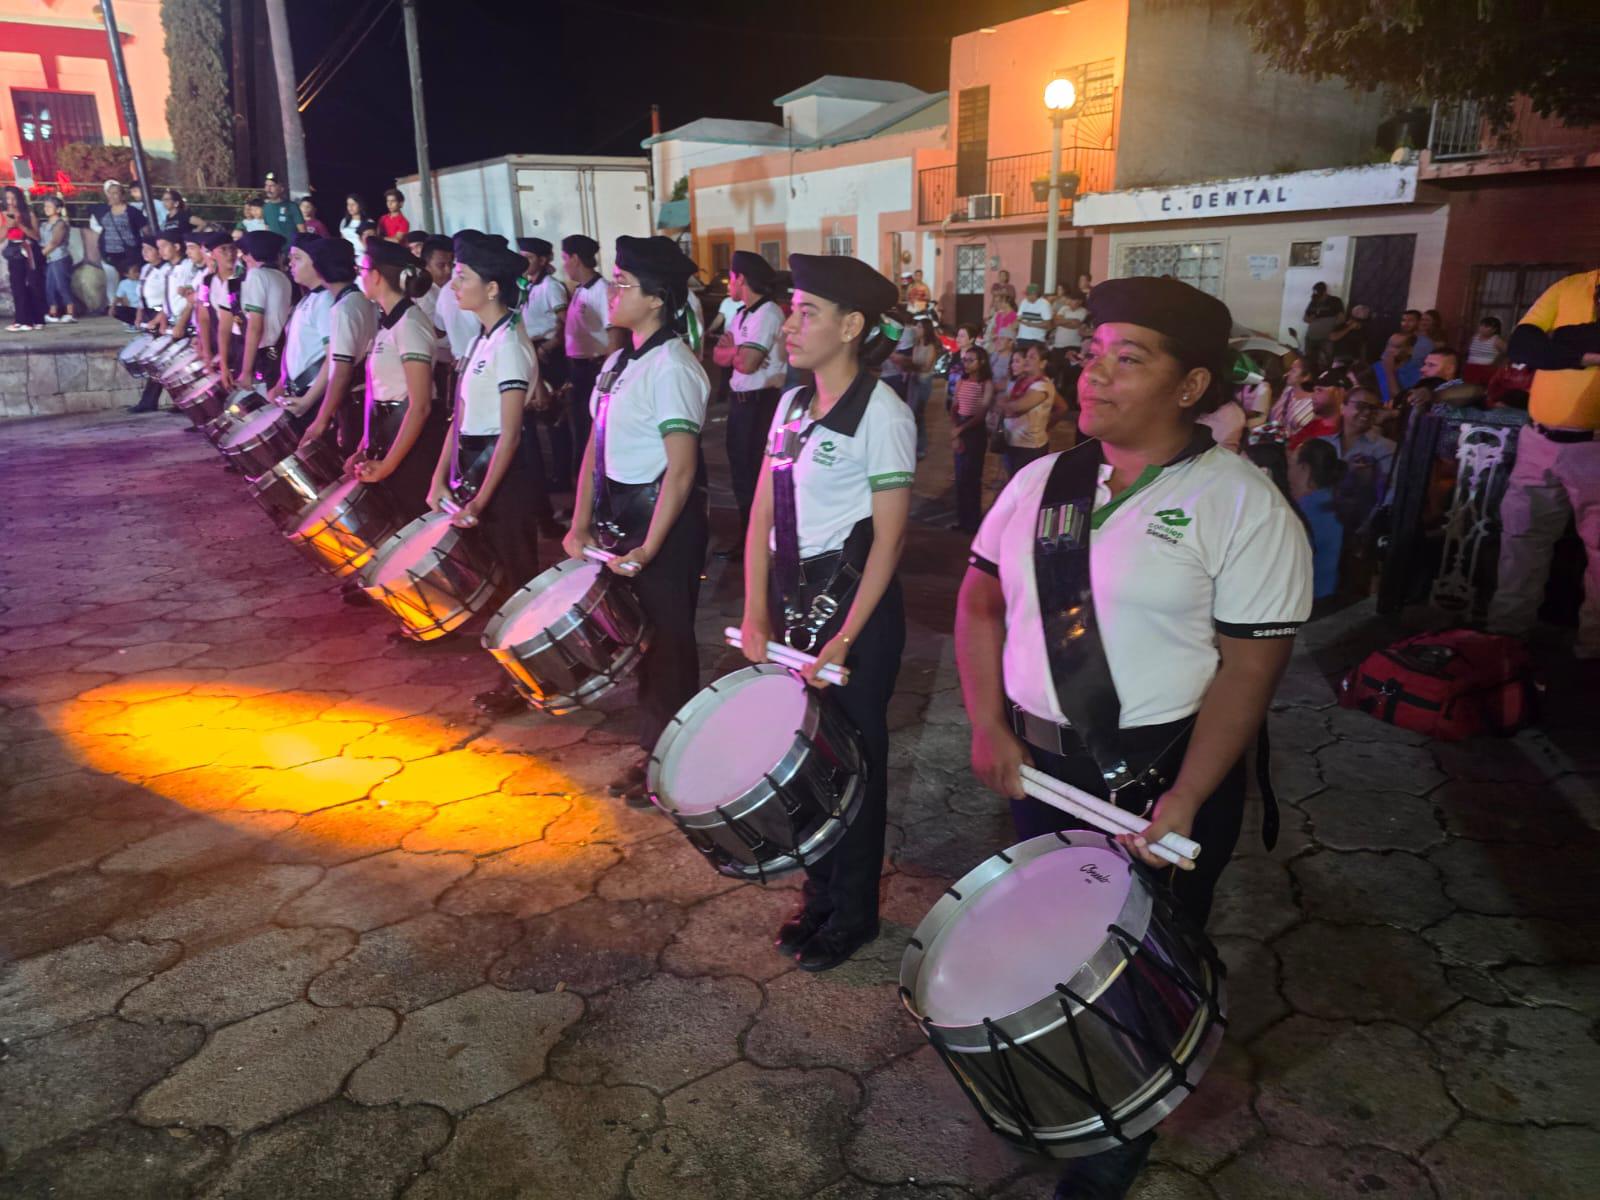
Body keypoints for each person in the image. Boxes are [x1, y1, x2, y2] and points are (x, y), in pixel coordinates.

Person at [955, 275, 1312, 1200]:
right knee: (1051, 952)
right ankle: (1066, 1096)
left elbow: (1249, 670)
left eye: (1130, 357)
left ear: (1191, 387)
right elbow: (981, 599)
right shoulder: (1045, 479)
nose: (1096, 375)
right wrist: (990, 722)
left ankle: (1118, 1133)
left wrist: (1187, 798)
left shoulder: (1242, 504)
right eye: (1094, 353)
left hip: (1162, 777)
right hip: (1042, 767)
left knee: (1142, 968)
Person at [739, 251, 914, 971]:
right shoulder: (789, 405)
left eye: (808, 312)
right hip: (790, 603)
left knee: (855, 764)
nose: (790, 323)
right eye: (791, 309)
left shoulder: (884, 412)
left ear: (852, 326)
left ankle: (854, 913)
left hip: (854, 614)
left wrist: (845, 637)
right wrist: (754, 611)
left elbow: (891, 539)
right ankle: (818, 895)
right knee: (805, 760)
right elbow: (758, 517)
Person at [561, 235, 710, 799]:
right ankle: (656, 752)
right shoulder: (622, 359)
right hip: (622, 520)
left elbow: (681, 470)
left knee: (669, 645)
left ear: (656, 300)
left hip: (662, 528)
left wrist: (649, 547)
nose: (612, 292)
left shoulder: (672, 367)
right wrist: (579, 521)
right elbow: (595, 448)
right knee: (643, 641)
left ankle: (673, 763)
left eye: (623, 284)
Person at [437, 234, 546, 705]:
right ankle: (511, 671)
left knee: (515, 579)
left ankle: (527, 678)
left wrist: (481, 499)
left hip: (505, 477)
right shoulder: (483, 340)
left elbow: (510, 433)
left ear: (494, 288)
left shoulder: (510, 345)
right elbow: (460, 417)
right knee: (495, 577)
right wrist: (439, 475)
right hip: (475, 467)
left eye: (464, 277)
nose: (454, 283)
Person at [1487, 266, 1600, 658]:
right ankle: (1506, 637)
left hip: (1596, 449)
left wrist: (1563, 344)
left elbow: (1553, 343)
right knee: (1521, 539)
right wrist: (1585, 352)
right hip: (1538, 440)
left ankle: (1592, 651)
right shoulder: (1570, 285)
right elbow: (1524, 347)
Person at [353, 238, 447, 520]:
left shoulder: (410, 324)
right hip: (390, 433)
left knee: (413, 521)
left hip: (413, 441)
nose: (360, 275)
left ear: (377, 275)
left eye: (362, 269)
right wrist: (364, 447)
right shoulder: (390, 322)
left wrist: (388, 466)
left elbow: (420, 406)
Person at [722, 249, 787, 561]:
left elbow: (746, 363)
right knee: (740, 473)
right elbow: (722, 355)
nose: (728, 284)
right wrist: (736, 353)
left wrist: (735, 353)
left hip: (760, 405)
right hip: (741, 403)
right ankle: (747, 536)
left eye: (730, 278)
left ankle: (758, 540)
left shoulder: (768, 313)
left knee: (755, 475)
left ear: (742, 279)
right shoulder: (741, 314)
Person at [297, 238, 378, 456]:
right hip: (363, 398)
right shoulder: (359, 299)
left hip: (355, 402)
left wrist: (321, 420)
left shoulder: (344, 308)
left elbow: (342, 372)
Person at [560, 233, 616, 490]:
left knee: (592, 435)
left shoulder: (601, 291)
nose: (564, 265)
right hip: (578, 369)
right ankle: (582, 493)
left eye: (565, 259)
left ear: (575, 259)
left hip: (594, 370)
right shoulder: (581, 290)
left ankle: (594, 496)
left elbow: (614, 336)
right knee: (579, 432)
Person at [270, 240, 336, 431]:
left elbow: (332, 357)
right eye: (290, 258)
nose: (290, 263)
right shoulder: (308, 299)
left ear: (317, 262)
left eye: (297, 258)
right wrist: (281, 383)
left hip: (315, 394)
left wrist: (308, 400)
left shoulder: (325, 300)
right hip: (300, 392)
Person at [231, 230, 291, 389]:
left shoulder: (257, 275)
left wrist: (246, 371)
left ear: (252, 254)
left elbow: (255, 326)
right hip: (280, 349)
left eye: (244, 253)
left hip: (267, 354)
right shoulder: (281, 276)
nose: (242, 258)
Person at [1291, 438, 1347, 605]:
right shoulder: (1331, 501)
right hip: (1327, 596)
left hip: (1307, 603)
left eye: (1291, 463)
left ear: (1304, 468)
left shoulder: (1304, 513)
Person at [949, 344, 995, 533]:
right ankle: (963, 520)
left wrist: (960, 429)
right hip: (961, 425)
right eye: (965, 360)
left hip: (974, 430)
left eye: (971, 360)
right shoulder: (962, 380)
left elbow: (981, 413)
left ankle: (972, 522)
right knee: (960, 477)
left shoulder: (986, 384)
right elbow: (954, 406)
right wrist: (955, 428)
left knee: (972, 477)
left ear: (981, 362)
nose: (966, 364)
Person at [999, 342, 1062, 476]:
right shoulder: (1022, 380)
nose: (1027, 360)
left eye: (1032, 357)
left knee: (1024, 489)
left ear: (1043, 363)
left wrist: (1046, 426)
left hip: (1029, 448)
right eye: (1026, 356)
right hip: (1013, 441)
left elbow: (1018, 407)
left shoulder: (1042, 386)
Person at [2, 186, 46, 332]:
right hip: (14, 251)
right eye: (7, 198)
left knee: (33, 284)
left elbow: (36, 236)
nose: (11, 202)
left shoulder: (28, 213)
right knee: (17, 285)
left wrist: (20, 224)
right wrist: (7, 227)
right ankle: (21, 319)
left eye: (13, 198)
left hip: (29, 249)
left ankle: (36, 319)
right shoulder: (3, 214)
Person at [89, 180, 147, 289]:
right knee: (114, 284)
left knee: (132, 282)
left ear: (123, 195)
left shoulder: (132, 212)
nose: (112, 196)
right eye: (109, 193)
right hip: (110, 254)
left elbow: (146, 230)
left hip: (129, 254)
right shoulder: (104, 211)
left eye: (115, 193)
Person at [38, 195, 77, 324]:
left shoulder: (60, 224)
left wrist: (40, 255)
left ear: (58, 209)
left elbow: (55, 242)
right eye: (45, 206)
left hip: (59, 257)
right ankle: (53, 312)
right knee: (50, 286)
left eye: (49, 206)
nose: (46, 208)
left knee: (62, 285)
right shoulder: (44, 224)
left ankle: (70, 312)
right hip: (49, 258)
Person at [1288, 369, 1345, 451]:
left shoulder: (1342, 433)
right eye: (1314, 390)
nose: (1313, 396)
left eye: (1319, 390)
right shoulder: (1313, 425)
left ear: (1338, 393)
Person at [1302, 281, 1344, 368]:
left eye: (1320, 296)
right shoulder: (1313, 301)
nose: (1318, 298)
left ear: (1325, 292)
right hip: (1311, 338)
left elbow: (1341, 318)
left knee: (1325, 362)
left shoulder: (1335, 301)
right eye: (1316, 296)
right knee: (1308, 362)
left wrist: (1329, 325)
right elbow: (1305, 318)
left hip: (1326, 339)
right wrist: (1311, 319)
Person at [1371, 331, 1415, 408]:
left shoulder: (1414, 371)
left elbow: (1400, 402)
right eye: (1388, 345)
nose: (1389, 350)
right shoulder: (1376, 366)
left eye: (1396, 347)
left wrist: (1389, 371)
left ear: (1409, 350)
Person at [1463, 316, 1506, 384]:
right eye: (1481, 326)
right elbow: (1466, 352)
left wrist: (1496, 364)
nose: (1482, 328)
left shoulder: (1497, 340)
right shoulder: (1474, 338)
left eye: (1486, 327)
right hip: (1470, 369)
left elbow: (1507, 354)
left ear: (1494, 329)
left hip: (1486, 370)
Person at [1015, 281, 1053, 349]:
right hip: (1021, 338)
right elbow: (1019, 318)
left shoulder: (1044, 304)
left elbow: (1048, 325)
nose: (1027, 296)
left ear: (1035, 294)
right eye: (1027, 294)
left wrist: (1031, 324)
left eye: (1028, 294)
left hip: (1036, 340)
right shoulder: (1024, 302)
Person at [260, 173, 298, 238]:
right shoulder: (266, 207)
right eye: (266, 185)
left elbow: (302, 231)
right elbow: (267, 229)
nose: (268, 189)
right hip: (274, 247)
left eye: (272, 186)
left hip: (291, 247)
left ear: (281, 188)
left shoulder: (292, 206)